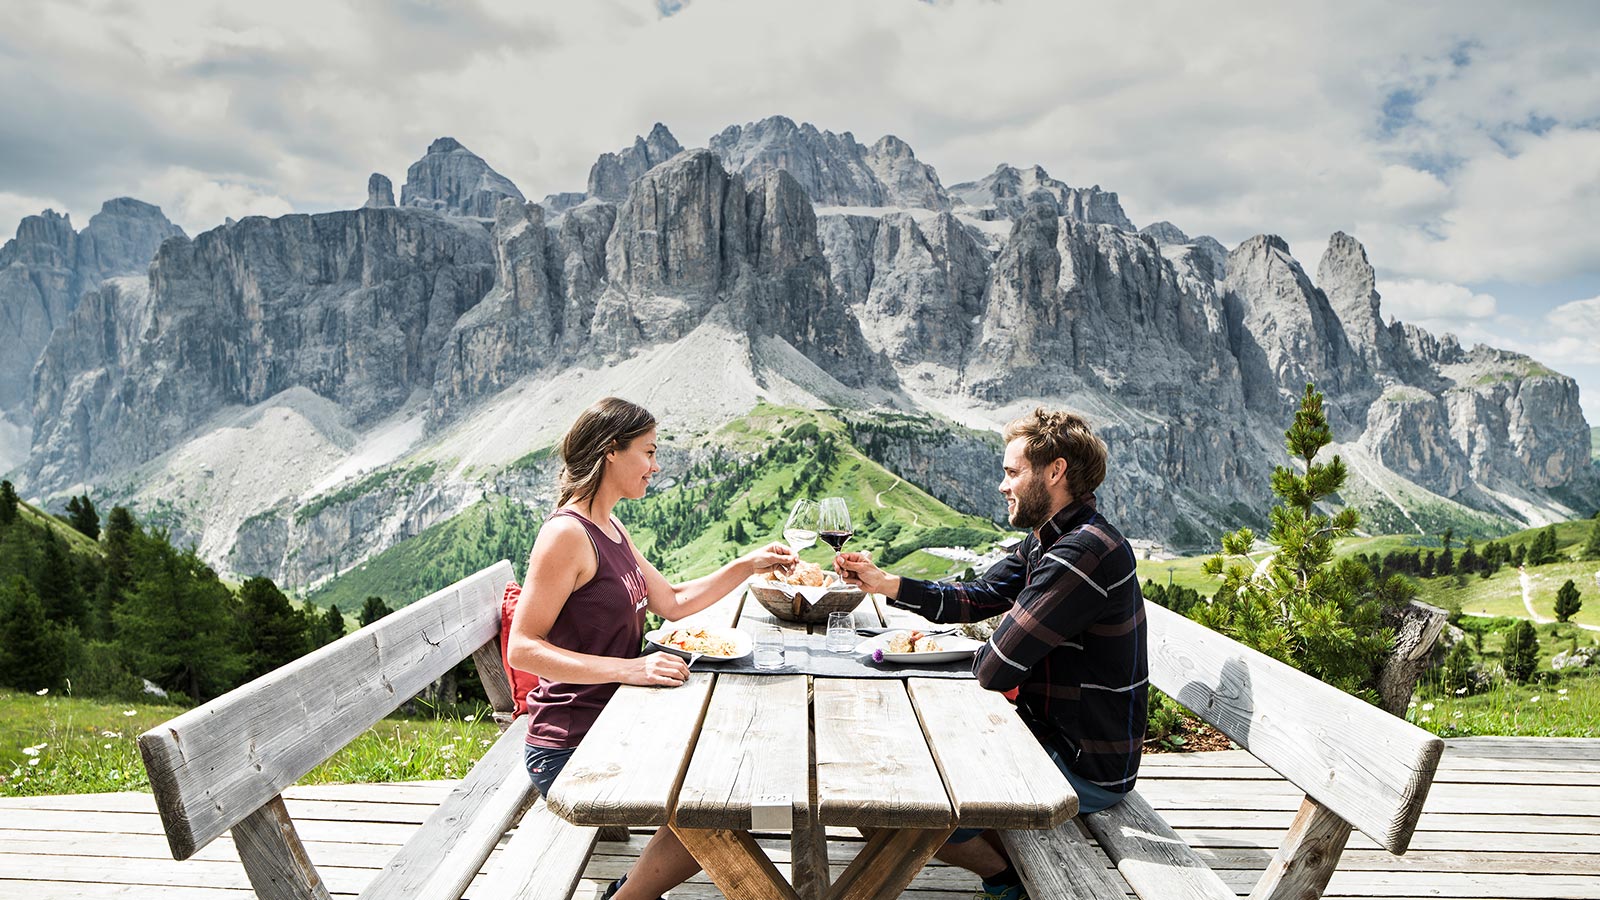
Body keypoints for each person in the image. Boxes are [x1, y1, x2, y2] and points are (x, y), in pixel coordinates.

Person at [835, 407, 1147, 900]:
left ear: (1055, 471)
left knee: (892, 802)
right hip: (1047, 736)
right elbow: (980, 595)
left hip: (1083, 765)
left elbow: (995, 668)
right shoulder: (1053, 538)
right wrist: (886, 583)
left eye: (1011, 472)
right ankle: (1008, 879)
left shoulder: (1080, 554)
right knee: (886, 786)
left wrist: (995, 639)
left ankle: (1010, 883)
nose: (1003, 486)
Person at [506, 397, 796, 900]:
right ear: (611, 452)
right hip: (572, 746)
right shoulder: (566, 535)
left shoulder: (611, 527)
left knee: (740, 776)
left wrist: (747, 565)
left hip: (621, 724)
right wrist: (630, 669)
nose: (656, 466)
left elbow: (675, 601)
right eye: (649, 451)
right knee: (722, 800)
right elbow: (523, 649)